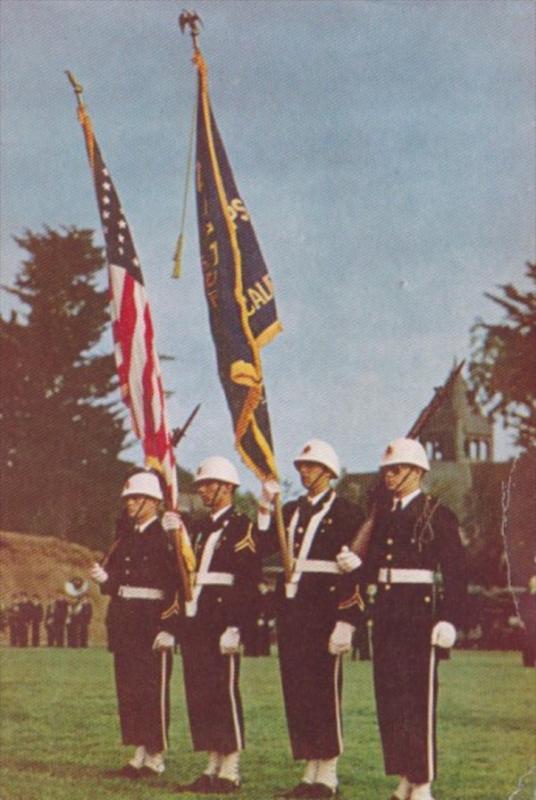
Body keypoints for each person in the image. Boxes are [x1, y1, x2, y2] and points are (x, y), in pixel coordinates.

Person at [337, 438, 466, 800]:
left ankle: (422, 783)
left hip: (420, 613)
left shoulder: (436, 513)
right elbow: (376, 564)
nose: (389, 476)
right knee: (390, 698)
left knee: (418, 699)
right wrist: (357, 568)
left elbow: (456, 572)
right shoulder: (384, 515)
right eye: (386, 470)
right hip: (388, 610)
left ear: (417, 472)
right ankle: (406, 778)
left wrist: (450, 618)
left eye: (396, 470)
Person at [257, 439, 365, 799]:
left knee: (324, 691)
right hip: (293, 610)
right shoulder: (288, 510)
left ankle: (328, 775)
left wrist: (347, 619)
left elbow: (356, 571)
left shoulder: (349, 513)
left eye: (310, 466)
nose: (303, 472)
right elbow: (261, 547)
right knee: (298, 691)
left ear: (328, 472)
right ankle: (309, 773)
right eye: (301, 466)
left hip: (325, 611)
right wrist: (263, 510)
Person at [90, 468, 192, 780]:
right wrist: (107, 581)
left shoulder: (167, 536)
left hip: (152, 620)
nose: (130, 503)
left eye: (136, 498)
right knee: (130, 689)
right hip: (125, 619)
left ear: (153, 501)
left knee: (153, 689)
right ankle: (139, 753)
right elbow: (119, 580)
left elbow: (179, 583)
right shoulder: (126, 538)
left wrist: (169, 626)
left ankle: (156, 756)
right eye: (129, 498)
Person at [177, 456, 260, 795]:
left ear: (228, 488)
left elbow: (247, 579)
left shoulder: (242, 526)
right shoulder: (198, 527)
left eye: (210, 485)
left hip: (222, 615)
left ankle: (231, 766)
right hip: (197, 613)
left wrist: (236, 625)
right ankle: (211, 763)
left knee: (223, 692)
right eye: (201, 486)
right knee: (201, 692)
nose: (205, 491)